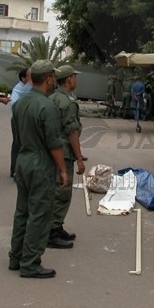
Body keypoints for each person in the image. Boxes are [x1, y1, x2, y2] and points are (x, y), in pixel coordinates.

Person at [9, 60, 68, 279]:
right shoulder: (47, 107)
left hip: (23, 159)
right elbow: (54, 143)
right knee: (40, 214)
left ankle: (16, 257)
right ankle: (30, 263)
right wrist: (63, 170)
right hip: (40, 163)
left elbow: (16, 134)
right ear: (50, 79)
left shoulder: (21, 102)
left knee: (22, 212)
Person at [49, 65, 85, 248]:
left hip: (52, 149)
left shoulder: (52, 98)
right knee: (63, 191)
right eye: (74, 77)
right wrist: (79, 158)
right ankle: (52, 231)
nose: (76, 81)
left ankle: (57, 226)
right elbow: (72, 132)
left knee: (55, 187)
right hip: (64, 152)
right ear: (69, 79)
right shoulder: (68, 103)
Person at [9, 68, 31, 178]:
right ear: (23, 78)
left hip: (24, 120)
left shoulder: (28, 88)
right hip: (18, 120)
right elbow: (14, 105)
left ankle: (18, 170)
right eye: (29, 76)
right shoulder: (19, 89)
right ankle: (15, 170)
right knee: (18, 144)